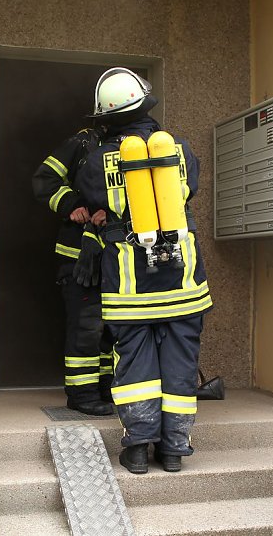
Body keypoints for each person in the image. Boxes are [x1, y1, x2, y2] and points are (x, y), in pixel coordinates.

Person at [74, 67, 212, 474]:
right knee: (181, 361)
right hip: (183, 276)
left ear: (106, 116)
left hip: (130, 277)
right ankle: (173, 451)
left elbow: (92, 195)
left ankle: (137, 449)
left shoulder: (100, 159)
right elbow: (193, 190)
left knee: (134, 361)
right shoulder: (181, 150)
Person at [32, 127, 114, 416]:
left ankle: (105, 387)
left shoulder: (138, 144)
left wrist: (116, 213)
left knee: (112, 329)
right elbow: (44, 179)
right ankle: (82, 394)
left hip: (120, 256)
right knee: (86, 325)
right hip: (78, 255)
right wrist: (71, 205)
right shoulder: (83, 141)